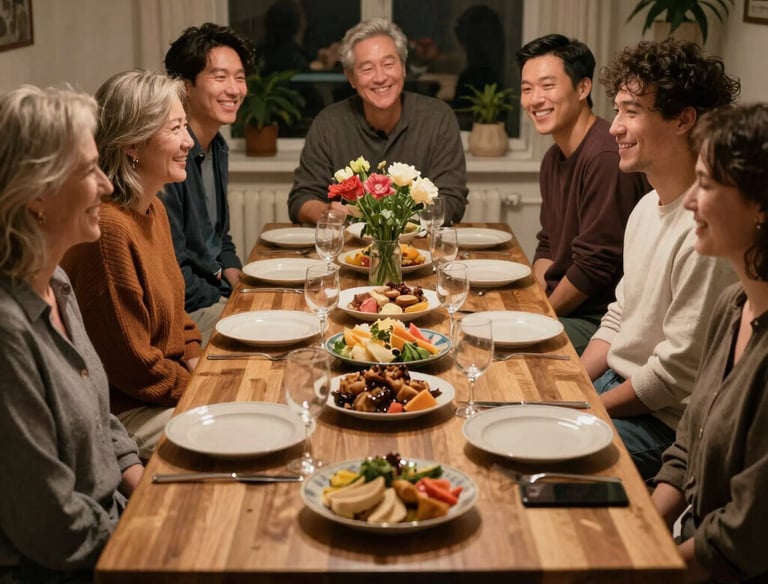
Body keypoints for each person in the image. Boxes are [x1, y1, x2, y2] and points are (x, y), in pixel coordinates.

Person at [581, 39, 740, 480]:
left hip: (660, 423)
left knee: (546, 459)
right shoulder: (645, 207)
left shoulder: (705, 230)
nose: (614, 127)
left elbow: (673, 377)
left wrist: (585, 406)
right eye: (616, 110)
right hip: (617, 388)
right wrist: (573, 382)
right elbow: (619, 317)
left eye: (632, 111)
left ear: (683, 120)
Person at [0, 85, 142, 578]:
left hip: (113, 529)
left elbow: (102, 420)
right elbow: (50, 524)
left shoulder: (55, 281)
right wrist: (147, 536)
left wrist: (146, 491)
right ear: (37, 193)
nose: (106, 185)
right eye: (88, 170)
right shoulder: (8, 333)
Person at [653, 103, 768, 583]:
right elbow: (686, 447)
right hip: (692, 543)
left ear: (761, 204)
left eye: (706, 184)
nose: (690, 202)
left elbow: (744, 537)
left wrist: (637, 566)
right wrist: (645, 525)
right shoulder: (732, 305)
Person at [61, 71, 202, 461]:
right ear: (132, 144)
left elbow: (179, 317)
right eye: (176, 128)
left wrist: (199, 365)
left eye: (185, 126)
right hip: (131, 410)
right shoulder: (108, 230)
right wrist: (201, 386)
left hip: (166, 385)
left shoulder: (152, 208)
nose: (189, 141)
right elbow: (134, 368)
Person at [516, 34, 649, 354]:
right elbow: (547, 243)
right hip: (568, 309)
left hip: (601, 319)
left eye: (548, 86)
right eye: (526, 89)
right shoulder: (553, 157)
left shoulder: (605, 156)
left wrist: (542, 314)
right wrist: (536, 303)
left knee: (501, 346)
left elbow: (594, 267)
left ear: (582, 88)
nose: (535, 99)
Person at [287, 18, 468, 226]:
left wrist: (394, 223)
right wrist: (326, 212)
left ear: (403, 68)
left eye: (388, 64)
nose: (380, 77)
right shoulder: (329, 124)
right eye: (367, 69)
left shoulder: (438, 119)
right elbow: (301, 199)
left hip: (419, 249)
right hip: (349, 250)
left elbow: (452, 201)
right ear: (351, 78)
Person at [163, 23, 255, 345]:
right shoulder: (169, 158)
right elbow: (173, 270)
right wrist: (228, 301)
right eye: (219, 77)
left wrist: (238, 279)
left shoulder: (217, 147)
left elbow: (220, 239)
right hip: (186, 311)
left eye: (239, 77)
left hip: (212, 294)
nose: (234, 89)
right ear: (185, 86)